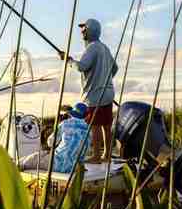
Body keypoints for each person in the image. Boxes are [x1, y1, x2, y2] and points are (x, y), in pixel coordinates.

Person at [59, 18, 118, 164]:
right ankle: (107, 155)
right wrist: (105, 79)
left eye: (84, 29)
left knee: (95, 124)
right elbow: (115, 68)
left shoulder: (92, 47)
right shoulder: (104, 48)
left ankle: (97, 156)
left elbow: (82, 67)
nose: (82, 32)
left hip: (95, 94)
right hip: (108, 92)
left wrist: (68, 61)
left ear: (90, 30)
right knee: (107, 125)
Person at [19, 103, 91, 173]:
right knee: (45, 154)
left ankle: (17, 166)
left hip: (56, 164)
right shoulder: (88, 132)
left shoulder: (65, 124)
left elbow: (50, 142)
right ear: (86, 116)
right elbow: (85, 151)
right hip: (72, 168)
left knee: (34, 158)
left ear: (72, 114)